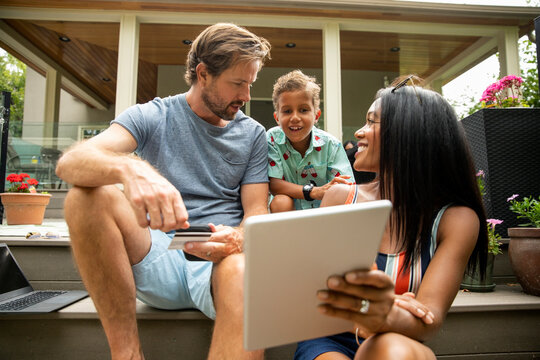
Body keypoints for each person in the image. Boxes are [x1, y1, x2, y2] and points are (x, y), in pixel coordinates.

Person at [56, 23, 271, 360]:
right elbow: (71, 161)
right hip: (156, 251)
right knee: (86, 196)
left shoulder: (254, 134)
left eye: (250, 84)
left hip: (221, 260)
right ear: (203, 74)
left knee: (243, 270)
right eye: (238, 84)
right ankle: (127, 355)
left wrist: (240, 237)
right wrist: (131, 168)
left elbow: (257, 208)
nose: (245, 96)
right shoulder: (152, 115)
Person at [294, 75, 488, 360]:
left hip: (398, 339)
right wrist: (379, 307)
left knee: (389, 349)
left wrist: (382, 312)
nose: (358, 133)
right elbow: (315, 298)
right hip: (329, 339)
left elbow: (427, 318)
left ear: (408, 133)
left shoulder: (455, 220)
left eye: (371, 122)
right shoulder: (339, 198)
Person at [267, 70, 353, 213]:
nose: (295, 117)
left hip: (322, 214)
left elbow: (347, 186)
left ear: (316, 115)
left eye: (303, 110)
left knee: (342, 193)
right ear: (277, 118)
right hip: (287, 214)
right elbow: (274, 184)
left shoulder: (331, 145)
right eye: (287, 111)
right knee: (280, 201)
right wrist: (313, 191)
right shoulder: (272, 139)